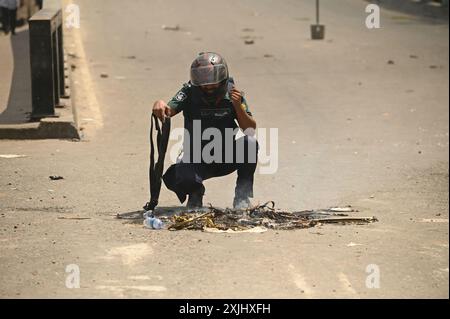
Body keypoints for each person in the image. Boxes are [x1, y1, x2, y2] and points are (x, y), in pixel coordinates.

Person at [151, 52, 258, 209]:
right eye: (202, 80)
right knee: (182, 176)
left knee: (249, 143)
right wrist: (158, 104)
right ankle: (195, 193)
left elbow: (249, 128)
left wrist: (237, 106)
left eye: (211, 80)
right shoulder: (189, 92)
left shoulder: (232, 94)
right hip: (197, 159)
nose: (208, 86)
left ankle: (242, 197)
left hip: (226, 157)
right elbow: (168, 111)